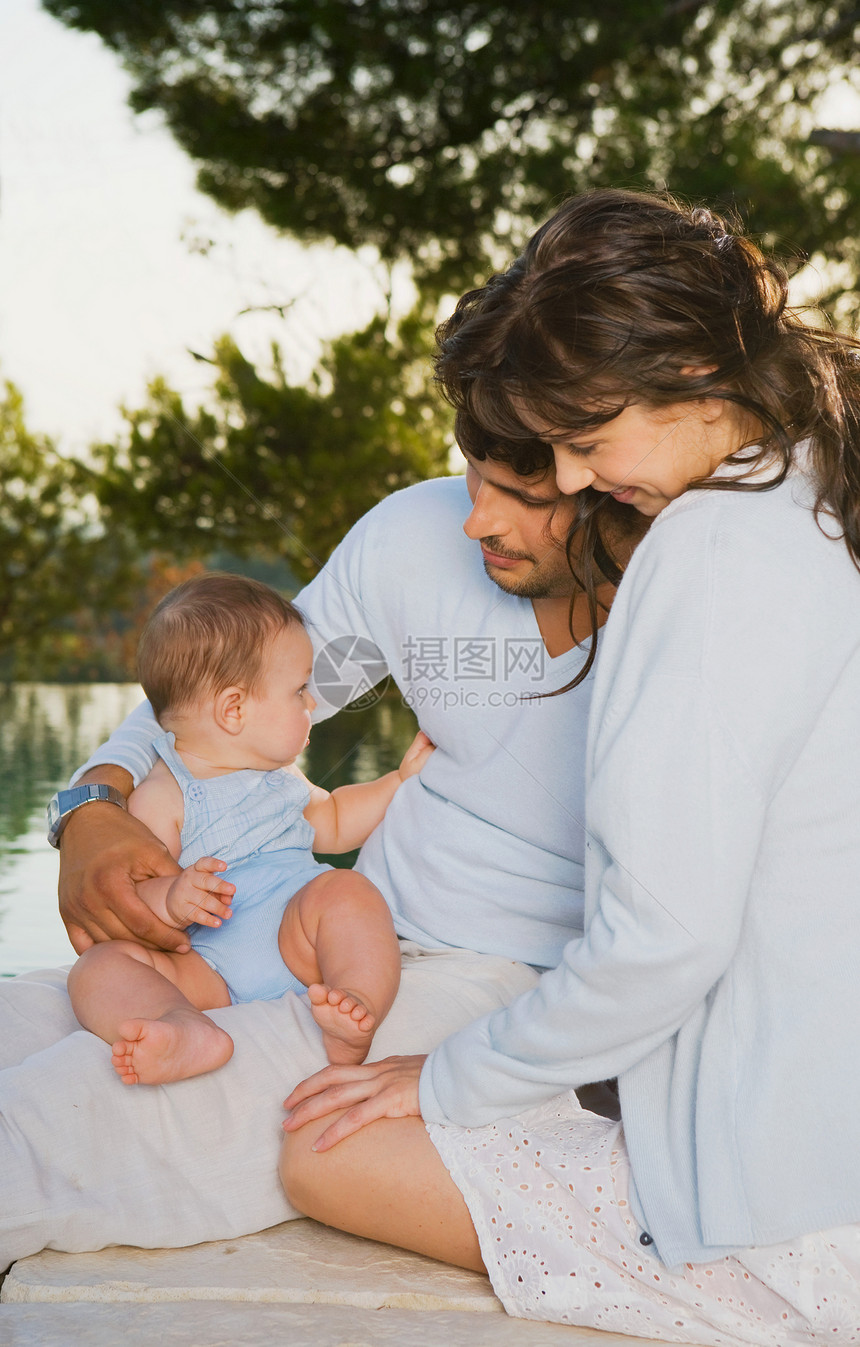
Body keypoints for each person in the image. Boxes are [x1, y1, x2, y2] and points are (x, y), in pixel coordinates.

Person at [279, 189, 860, 1346]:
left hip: (779, 1219)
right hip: (817, 1132)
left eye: (585, 444)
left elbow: (663, 940)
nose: (576, 481)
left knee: (320, 1151)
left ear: (698, 376)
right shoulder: (808, 487)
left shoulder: (703, 553)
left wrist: (438, 1081)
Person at [0, 434, 642, 1272]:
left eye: (523, 491)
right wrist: (92, 805)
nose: (474, 514)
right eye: (475, 472)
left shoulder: (685, 619)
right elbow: (210, 691)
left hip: (483, 977)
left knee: (67, 1119)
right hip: (306, 929)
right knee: (28, 1018)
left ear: (602, 471)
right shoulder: (418, 534)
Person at [67, 573, 435, 1084]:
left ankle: (355, 1003)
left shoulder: (280, 776)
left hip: (299, 936)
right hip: (208, 968)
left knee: (347, 890)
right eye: (300, 690)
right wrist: (172, 895)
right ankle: (182, 1026)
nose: (312, 704)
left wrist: (400, 781)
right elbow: (134, 897)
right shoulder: (163, 793)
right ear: (234, 710)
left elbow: (334, 820)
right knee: (99, 967)